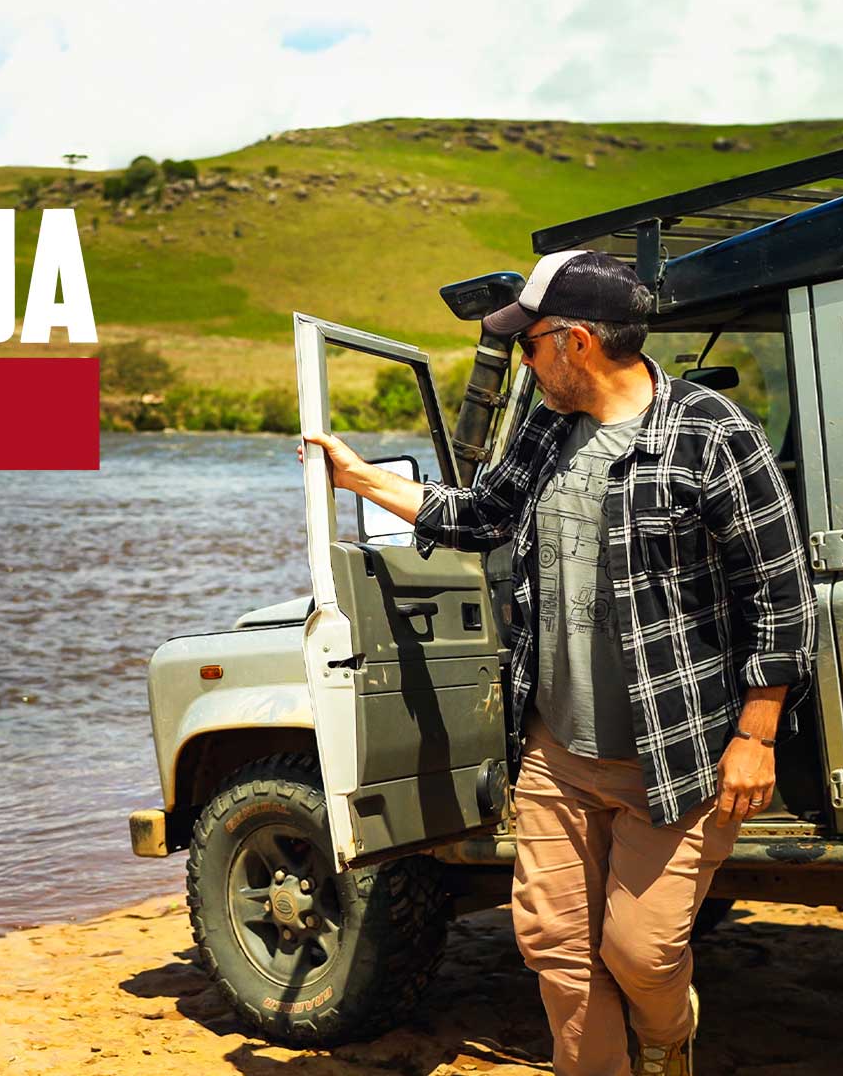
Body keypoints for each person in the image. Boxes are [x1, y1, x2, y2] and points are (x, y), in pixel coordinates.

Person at [299, 249, 816, 1076]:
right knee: (555, 952)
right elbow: (479, 516)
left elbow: (782, 594)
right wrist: (359, 478)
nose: (525, 361)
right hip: (555, 753)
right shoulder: (547, 427)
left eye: (529, 344)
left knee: (642, 956)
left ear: (574, 342)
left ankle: (667, 1040)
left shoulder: (713, 435)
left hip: (674, 755)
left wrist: (756, 735)